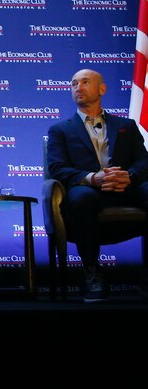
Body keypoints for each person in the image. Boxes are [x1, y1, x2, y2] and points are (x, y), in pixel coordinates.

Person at [46, 68, 148, 303]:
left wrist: (128, 176)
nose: (78, 87)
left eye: (85, 82)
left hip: (127, 188)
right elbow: (57, 168)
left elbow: (144, 160)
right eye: (73, 84)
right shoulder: (60, 130)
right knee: (82, 199)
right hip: (88, 189)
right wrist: (93, 178)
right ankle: (92, 273)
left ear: (102, 89)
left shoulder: (127, 125)